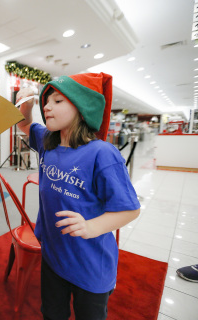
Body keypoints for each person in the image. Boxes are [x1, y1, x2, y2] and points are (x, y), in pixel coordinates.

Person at [16, 72, 141, 320]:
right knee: (52, 313)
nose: (47, 106)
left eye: (58, 101)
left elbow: (130, 209)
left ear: (82, 108)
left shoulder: (102, 154)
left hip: (90, 265)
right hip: (53, 256)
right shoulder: (47, 141)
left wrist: (91, 226)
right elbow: (24, 124)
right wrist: (27, 106)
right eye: (46, 101)